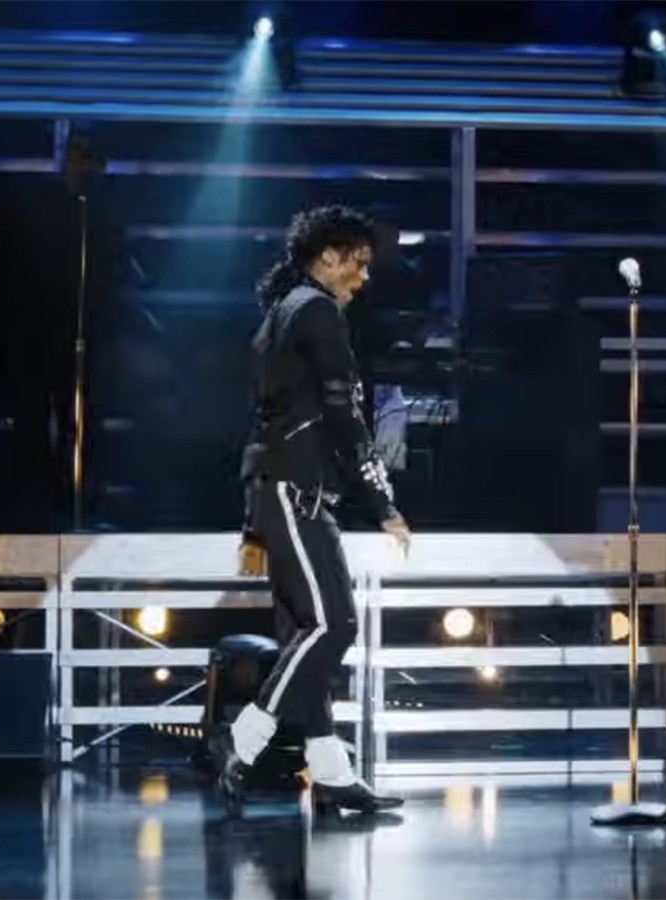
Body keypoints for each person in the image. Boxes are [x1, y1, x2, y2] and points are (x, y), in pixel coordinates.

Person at [222, 206, 412, 817]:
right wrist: (382, 503)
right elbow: (344, 414)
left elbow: (265, 419)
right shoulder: (317, 311)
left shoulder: (285, 311)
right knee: (332, 627)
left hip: (280, 490)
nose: (364, 277)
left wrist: (253, 521)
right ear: (328, 256)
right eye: (359, 263)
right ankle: (244, 738)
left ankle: (331, 773)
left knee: (308, 636)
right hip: (293, 490)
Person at [0, 127, 154, 531]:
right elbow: (10, 263)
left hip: (87, 333)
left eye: (89, 158)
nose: (82, 165)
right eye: (76, 156)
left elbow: (118, 270)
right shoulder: (35, 206)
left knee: (85, 420)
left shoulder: (104, 212)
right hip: (36, 334)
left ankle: (81, 504)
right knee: (33, 422)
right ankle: (37, 507)